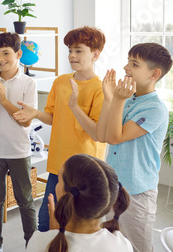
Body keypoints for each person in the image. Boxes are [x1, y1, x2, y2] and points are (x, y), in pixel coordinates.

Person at [13, 26, 107, 232]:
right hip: (57, 167)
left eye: (78, 50)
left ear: (95, 54)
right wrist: (35, 113)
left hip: (84, 171)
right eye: (70, 50)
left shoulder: (100, 89)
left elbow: (97, 134)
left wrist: (75, 107)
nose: (72, 55)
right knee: (46, 224)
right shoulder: (61, 81)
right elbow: (54, 118)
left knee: (77, 227)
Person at [96, 43, 172, 252]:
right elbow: (101, 135)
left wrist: (118, 99)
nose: (126, 68)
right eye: (128, 61)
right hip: (112, 186)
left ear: (154, 74)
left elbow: (114, 137)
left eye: (134, 64)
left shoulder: (155, 108)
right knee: (110, 243)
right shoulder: (128, 100)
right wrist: (109, 98)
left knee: (137, 247)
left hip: (137, 192)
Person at [0, 32, 37, 252]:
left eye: (6, 53)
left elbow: (25, 122)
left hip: (18, 151)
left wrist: (4, 99)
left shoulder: (28, 83)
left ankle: (31, 244)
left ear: (18, 54)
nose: (1, 59)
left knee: (25, 200)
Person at [26, 153, 132, 252]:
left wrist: (53, 234)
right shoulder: (123, 245)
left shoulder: (39, 243)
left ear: (66, 194)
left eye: (58, 180)